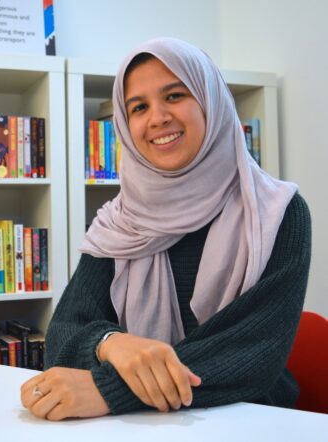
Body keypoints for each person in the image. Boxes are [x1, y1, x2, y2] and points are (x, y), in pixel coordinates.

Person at [20, 37, 311, 421]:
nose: (157, 118)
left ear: (211, 102)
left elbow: (249, 355)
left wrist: (110, 390)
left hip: (248, 418)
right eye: (138, 107)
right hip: (141, 427)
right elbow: (64, 336)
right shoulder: (119, 222)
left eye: (174, 96)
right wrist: (111, 343)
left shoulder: (278, 213)